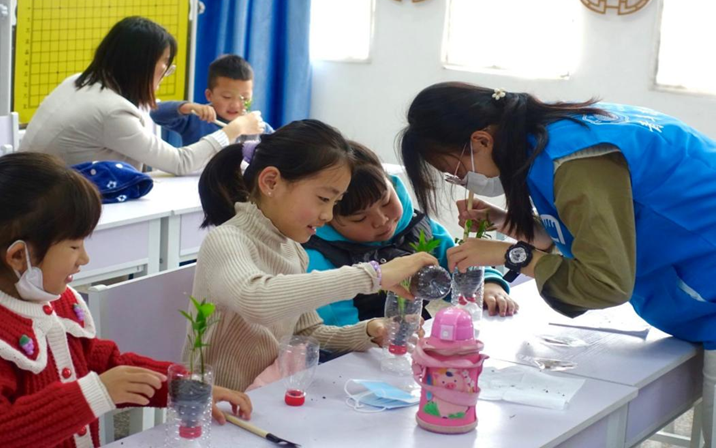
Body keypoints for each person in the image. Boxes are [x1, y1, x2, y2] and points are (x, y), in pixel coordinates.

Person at [398, 81, 716, 444]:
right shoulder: (556, 134)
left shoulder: (575, 159)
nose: (460, 180)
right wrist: (507, 222)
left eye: (454, 169)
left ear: (481, 141)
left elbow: (605, 283)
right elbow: (585, 231)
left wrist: (508, 254)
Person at [0, 153, 251, 448]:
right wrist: (94, 394)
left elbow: (103, 362)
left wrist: (182, 386)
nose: (84, 258)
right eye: (74, 246)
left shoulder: (54, 298)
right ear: (19, 256)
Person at [187, 120, 437, 391]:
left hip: (267, 398)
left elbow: (307, 333)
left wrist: (368, 331)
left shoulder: (292, 249)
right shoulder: (226, 240)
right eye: (323, 199)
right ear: (271, 182)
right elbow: (256, 299)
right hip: (217, 405)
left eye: (336, 203)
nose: (328, 215)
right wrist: (373, 275)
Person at [304, 141, 517, 327]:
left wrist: (489, 285)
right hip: (358, 346)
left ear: (391, 183)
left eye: (386, 202)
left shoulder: (416, 226)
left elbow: (458, 264)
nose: (381, 220)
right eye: (359, 218)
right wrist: (373, 336)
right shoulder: (319, 257)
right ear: (327, 216)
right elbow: (337, 329)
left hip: (411, 333)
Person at [21, 17, 263, 175]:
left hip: (32, 188)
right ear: (141, 65)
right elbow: (181, 163)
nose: (167, 72)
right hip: (51, 206)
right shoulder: (113, 113)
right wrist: (234, 129)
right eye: (165, 63)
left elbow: (150, 110)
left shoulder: (78, 81)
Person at [151, 54, 275, 147]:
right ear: (209, 95)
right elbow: (154, 113)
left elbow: (280, 148)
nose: (236, 105)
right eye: (227, 97)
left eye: (245, 98)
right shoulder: (197, 118)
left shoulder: (257, 126)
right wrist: (188, 107)